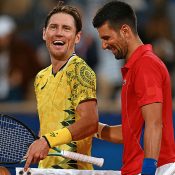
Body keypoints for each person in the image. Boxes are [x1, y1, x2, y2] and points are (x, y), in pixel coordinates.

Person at [92, 1, 175, 175]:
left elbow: (154, 123)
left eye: (107, 38)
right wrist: (91, 128)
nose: (103, 45)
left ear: (125, 31)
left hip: (154, 169)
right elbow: (129, 134)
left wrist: (148, 170)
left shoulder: (145, 65)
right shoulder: (136, 67)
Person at [24, 1, 98, 171]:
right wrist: (41, 143)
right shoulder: (41, 77)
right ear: (44, 33)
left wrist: (47, 140)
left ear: (77, 37)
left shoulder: (79, 70)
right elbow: (49, 128)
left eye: (66, 28)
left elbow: (90, 122)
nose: (59, 33)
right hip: (45, 170)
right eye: (53, 27)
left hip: (74, 171)